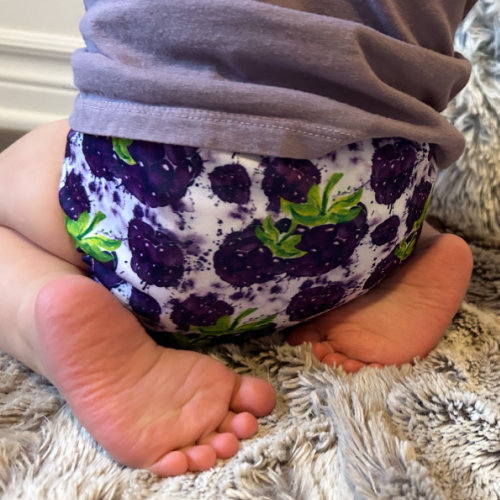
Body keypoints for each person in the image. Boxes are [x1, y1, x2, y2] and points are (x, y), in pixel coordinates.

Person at [0, 0, 475, 478]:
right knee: (350, 184)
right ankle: (415, 259)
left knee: (25, 174)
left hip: (161, 181)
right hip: (381, 201)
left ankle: (44, 305)